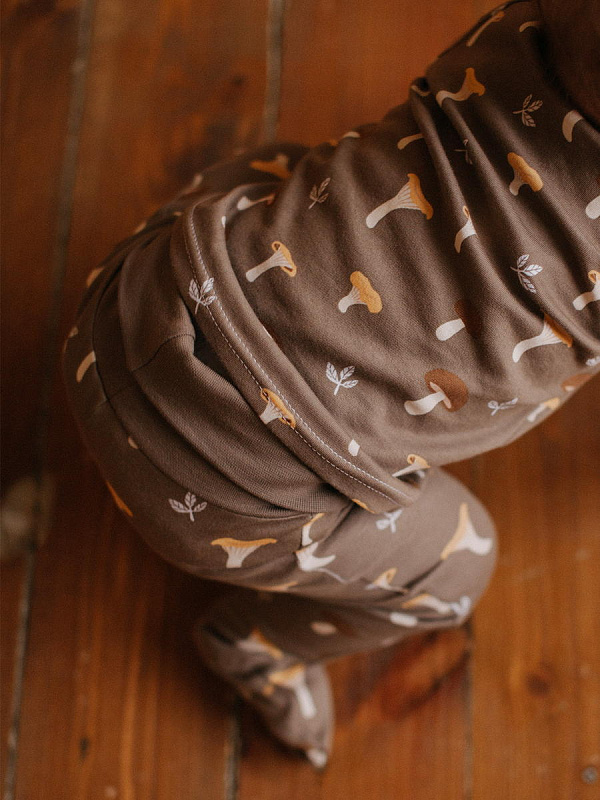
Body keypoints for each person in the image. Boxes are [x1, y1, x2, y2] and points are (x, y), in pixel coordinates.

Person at [62, 0, 599, 769]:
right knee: (459, 566)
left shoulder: (532, 26)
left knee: (293, 171)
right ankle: (253, 645)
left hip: (133, 297)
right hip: (229, 493)